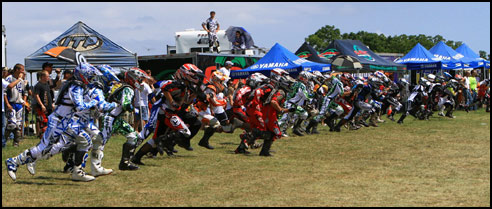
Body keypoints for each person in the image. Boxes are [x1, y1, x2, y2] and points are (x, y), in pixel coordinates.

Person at [5, 64, 28, 147]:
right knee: (12, 124)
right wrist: (7, 103)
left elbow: (24, 92)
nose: (23, 72)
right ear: (17, 70)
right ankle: (4, 139)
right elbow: (5, 91)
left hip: (19, 104)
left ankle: (16, 142)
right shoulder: (9, 78)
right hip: (11, 103)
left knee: (18, 125)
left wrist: (24, 101)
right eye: (22, 70)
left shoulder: (21, 81)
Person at [33, 70, 54, 139]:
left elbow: (48, 95)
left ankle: (47, 135)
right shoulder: (38, 85)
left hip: (49, 106)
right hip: (42, 107)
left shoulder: (47, 85)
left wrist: (52, 104)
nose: (48, 77)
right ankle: (41, 135)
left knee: (49, 121)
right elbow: (36, 95)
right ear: (42, 77)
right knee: (42, 121)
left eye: (48, 76)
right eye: (47, 76)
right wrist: (41, 105)